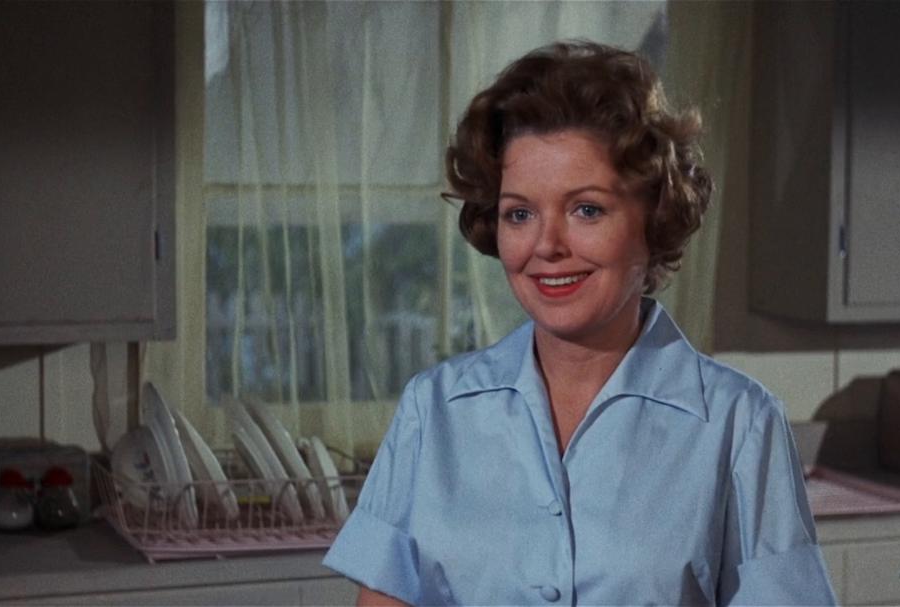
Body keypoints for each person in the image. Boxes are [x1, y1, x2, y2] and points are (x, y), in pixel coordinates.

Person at [323, 41, 837, 606]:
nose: (547, 245)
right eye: (520, 213)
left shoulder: (739, 423)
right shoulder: (434, 411)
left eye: (586, 209)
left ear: (654, 217)